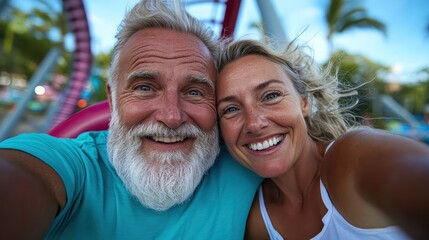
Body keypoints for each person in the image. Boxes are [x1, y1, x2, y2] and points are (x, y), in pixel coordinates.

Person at [0, 1, 261, 239]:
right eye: (145, 88)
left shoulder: (252, 160)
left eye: (194, 92)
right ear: (113, 101)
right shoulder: (75, 167)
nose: (171, 116)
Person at [215, 38, 429, 240]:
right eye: (231, 109)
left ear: (304, 103)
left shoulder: (352, 157)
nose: (254, 123)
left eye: (271, 96)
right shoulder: (256, 221)